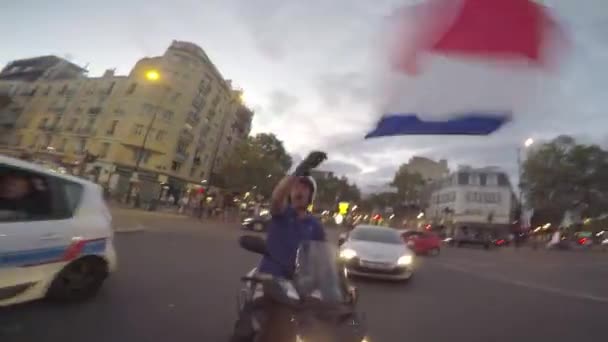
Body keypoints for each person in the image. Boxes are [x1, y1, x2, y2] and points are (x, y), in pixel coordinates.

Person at [231, 151, 327, 342]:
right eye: (296, 187)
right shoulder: (282, 213)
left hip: (298, 286)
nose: (299, 191)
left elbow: (322, 256)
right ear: (289, 192)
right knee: (245, 330)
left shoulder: (315, 226)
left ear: (311, 195)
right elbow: (276, 198)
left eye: (304, 188)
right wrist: (298, 172)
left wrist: (333, 280)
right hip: (268, 279)